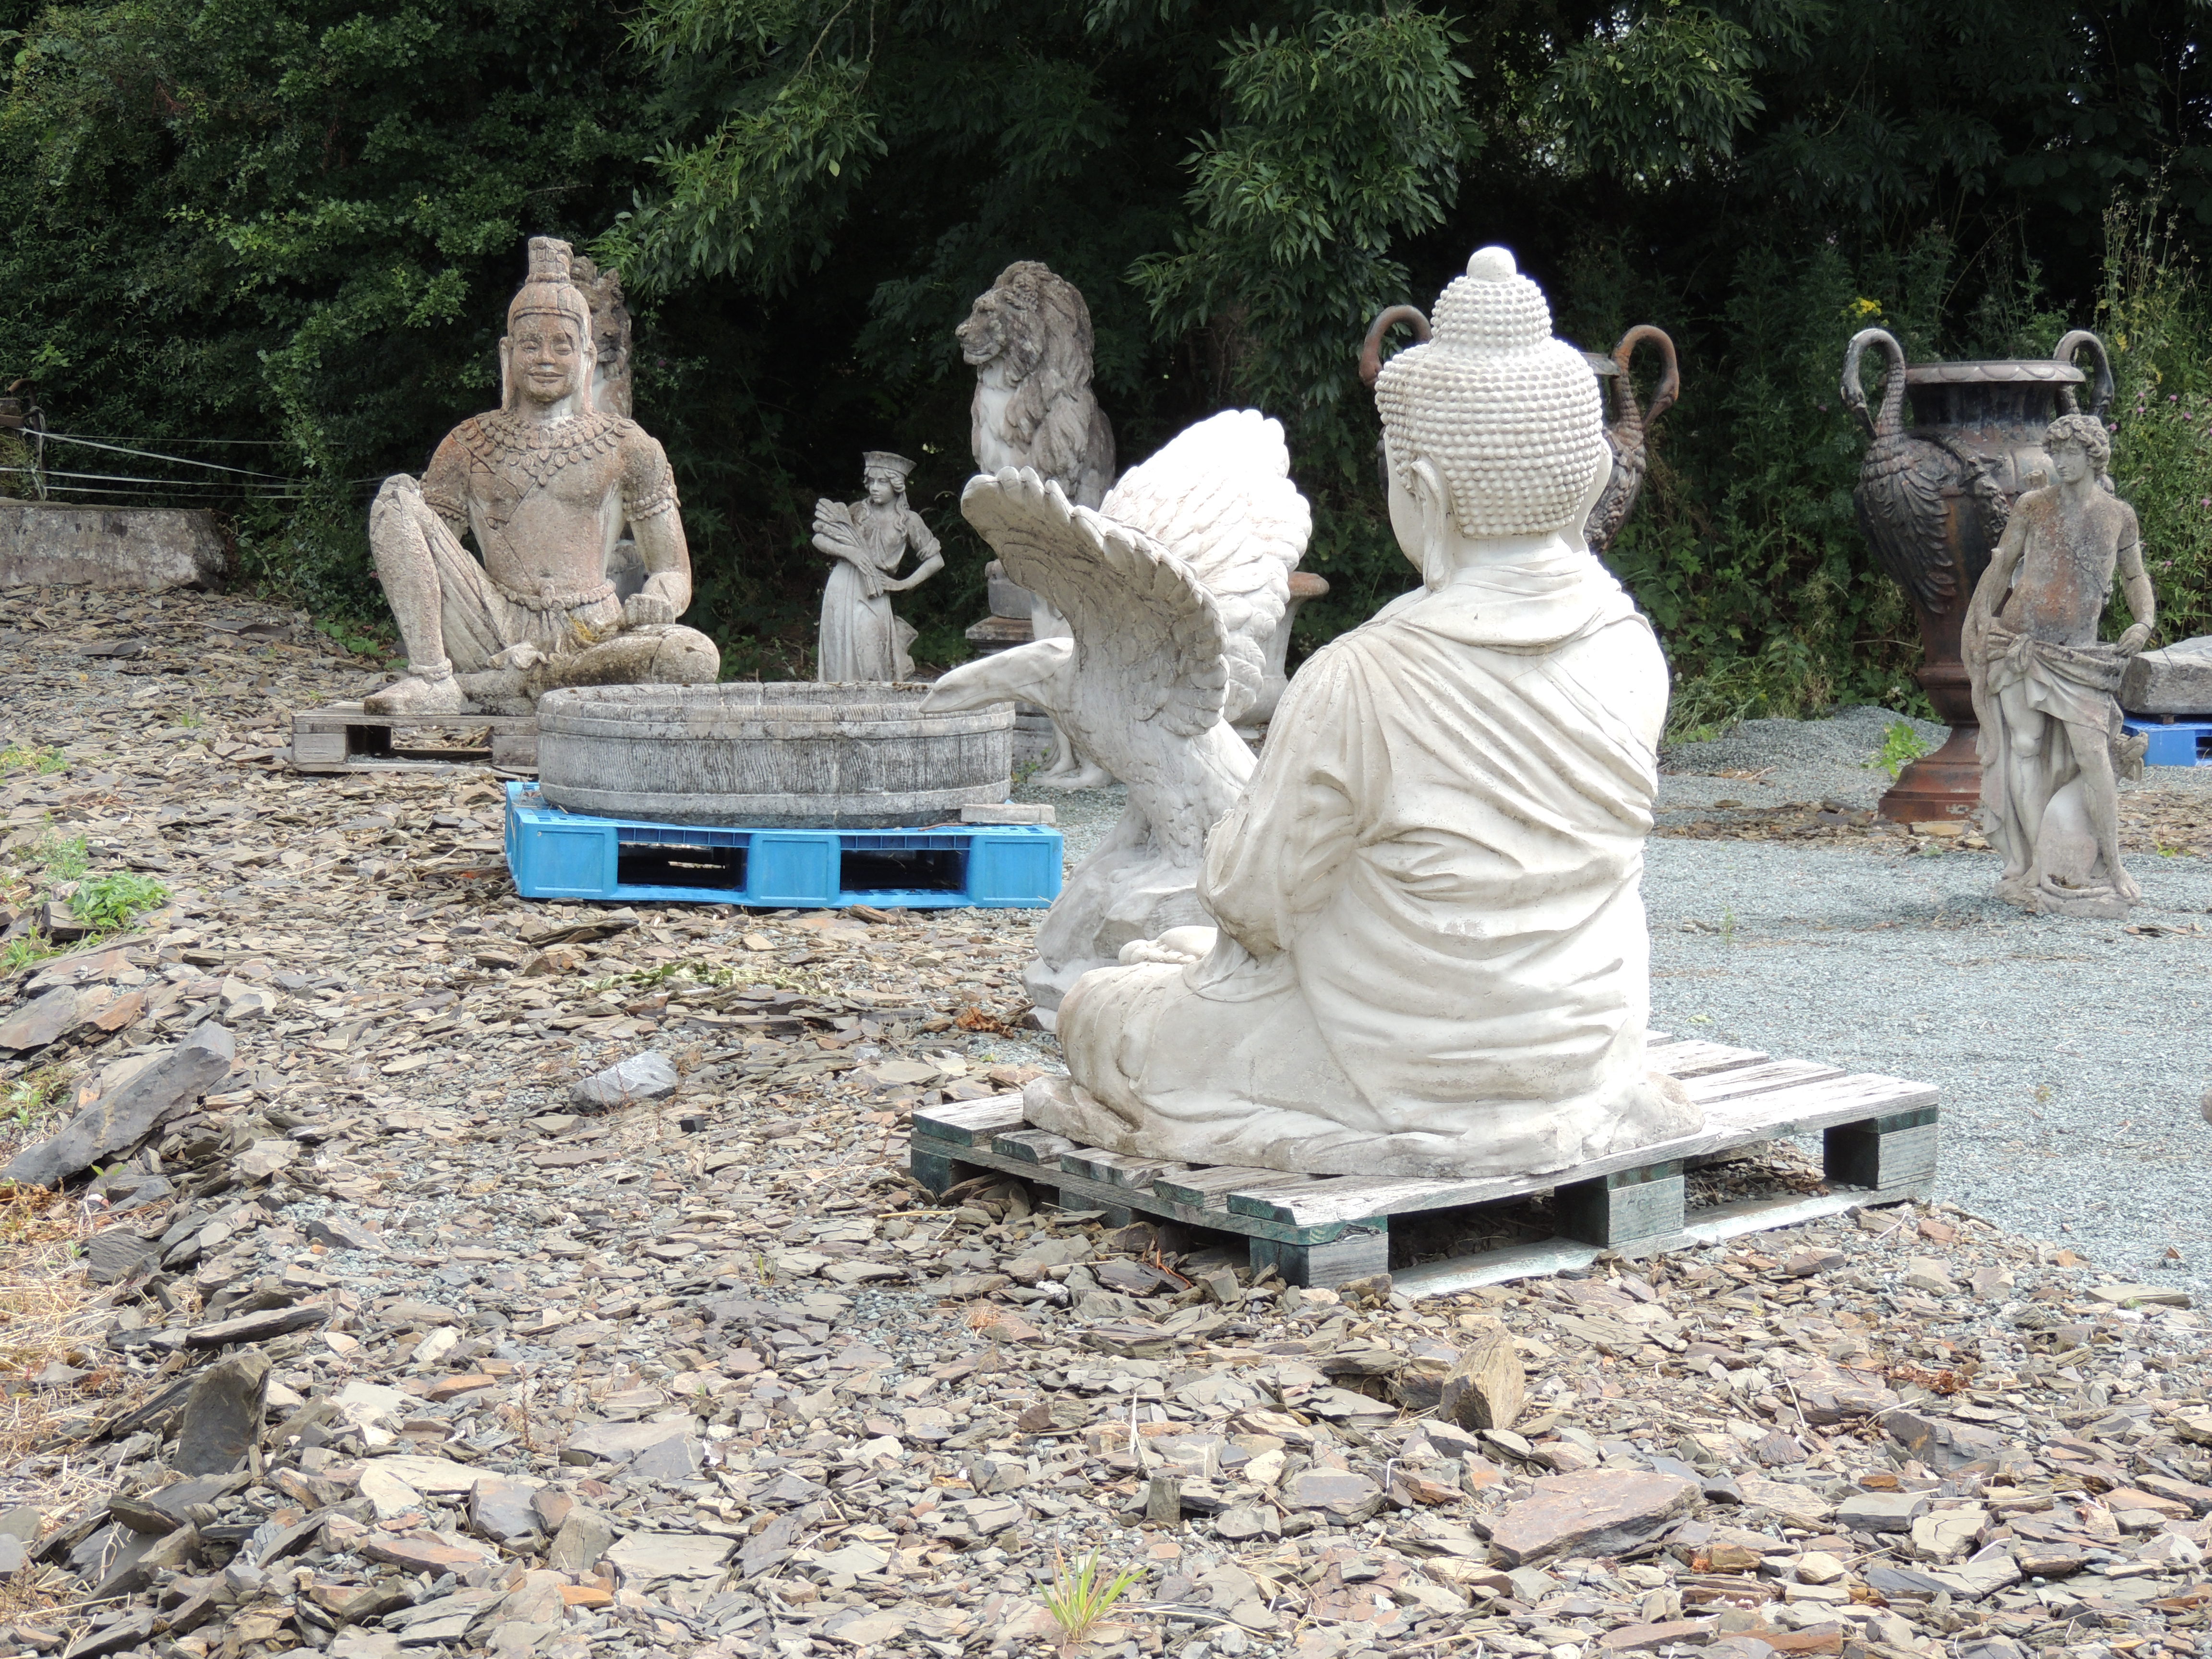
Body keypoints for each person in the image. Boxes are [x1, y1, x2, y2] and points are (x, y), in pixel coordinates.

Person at [1025, 248, 1701, 1180]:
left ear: (1420, 493)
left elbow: (1253, 902)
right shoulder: (1630, 648)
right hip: (1580, 1047)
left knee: (1099, 1011)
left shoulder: (1362, 678)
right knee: (1177, 964)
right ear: (1592, 478)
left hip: (1395, 1063)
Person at [365, 238, 717, 715]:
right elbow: (428, 555)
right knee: (395, 501)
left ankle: (520, 685)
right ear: (508, 354)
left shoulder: (628, 446)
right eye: (530, 345)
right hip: (492, 626)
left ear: (586, 355)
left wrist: (659, 599)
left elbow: (673, 571)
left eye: (561, 345)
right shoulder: (468, 443)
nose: (545, 358)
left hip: (594, 635)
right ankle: (433, 678)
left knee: (691, 655)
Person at [1965, 412, 2154, 915]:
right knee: (2024, 748)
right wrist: (1982, 618)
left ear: (2094, 457)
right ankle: (2033, 865)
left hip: (2079, 655)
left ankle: (2115, 865)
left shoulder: (2118, 516)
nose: (2062, 463)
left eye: (2072, 454)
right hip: (2019, 642)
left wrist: (2144, 622)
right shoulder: (2032, 506)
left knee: (2094, 758)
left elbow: (2135, 577)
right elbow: (2003, 565)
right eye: (2057, 454)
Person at [814, 452, 943, 681]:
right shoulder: (857, 511)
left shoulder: (909, 520)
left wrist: (903, 584)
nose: (874, 488)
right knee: (840, 657)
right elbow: (819, 538)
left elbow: (936, 560)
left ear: (896, 486)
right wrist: (850, 553)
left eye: (882, 482)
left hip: (874, 591)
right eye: (871, 481)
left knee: (873, 658)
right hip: (842, 584)